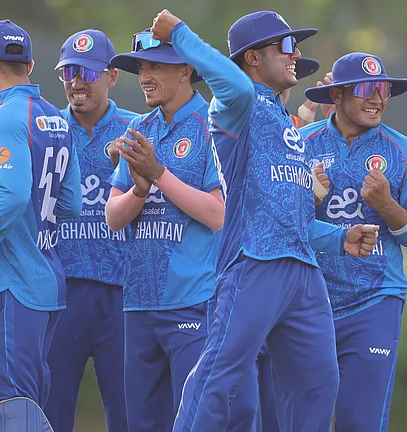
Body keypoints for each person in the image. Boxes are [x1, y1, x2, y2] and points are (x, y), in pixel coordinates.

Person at [147, 9, 380, 431]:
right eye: (287, 46)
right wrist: (178, 33)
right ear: (253, 57)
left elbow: (288, 213)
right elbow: (232, 81)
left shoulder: (280, 117)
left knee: (319, 383)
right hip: (254, 264)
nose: (297, 54)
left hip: (302, 271)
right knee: (219, 378)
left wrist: (339, 237)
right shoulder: (236, 104)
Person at [104, 28, 259, 432]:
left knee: (195, 420)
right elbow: (113, 217)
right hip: (137, 301)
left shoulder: (213, 126)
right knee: (142, 423)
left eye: (157, 66)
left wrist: (158, 175)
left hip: (194, 302)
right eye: (142, 67)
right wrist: (139, 189)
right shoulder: (140, 126)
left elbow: (218, 214)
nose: (145, 76)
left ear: (186, 70)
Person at [0, 19, 81, 430]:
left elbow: (14, 192)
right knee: (25, 403)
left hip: (14, 284)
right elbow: (71, 203)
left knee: (13, 407)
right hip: (48, 282)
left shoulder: (4, 116)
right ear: (31, 64)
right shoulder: (56, 118)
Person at [301, 52, 407, 430]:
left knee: (361, 421)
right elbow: (275, 226)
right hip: (308, 302)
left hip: (375, 301)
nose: (377, 98)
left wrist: (388, 207)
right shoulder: (300, 143)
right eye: (365, 88)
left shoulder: (405, 152)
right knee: (301, 420)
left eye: (384, 89)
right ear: (338, 95)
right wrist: (307, 199)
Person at [45, 29, 135, 432]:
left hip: (124, 291)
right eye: (69, 72)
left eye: (88, 73)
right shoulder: (46, 130)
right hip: (60, 289)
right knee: (51, 408)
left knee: (130, 411)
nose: (76, 82)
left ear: (112, 76)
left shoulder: (138, 130)